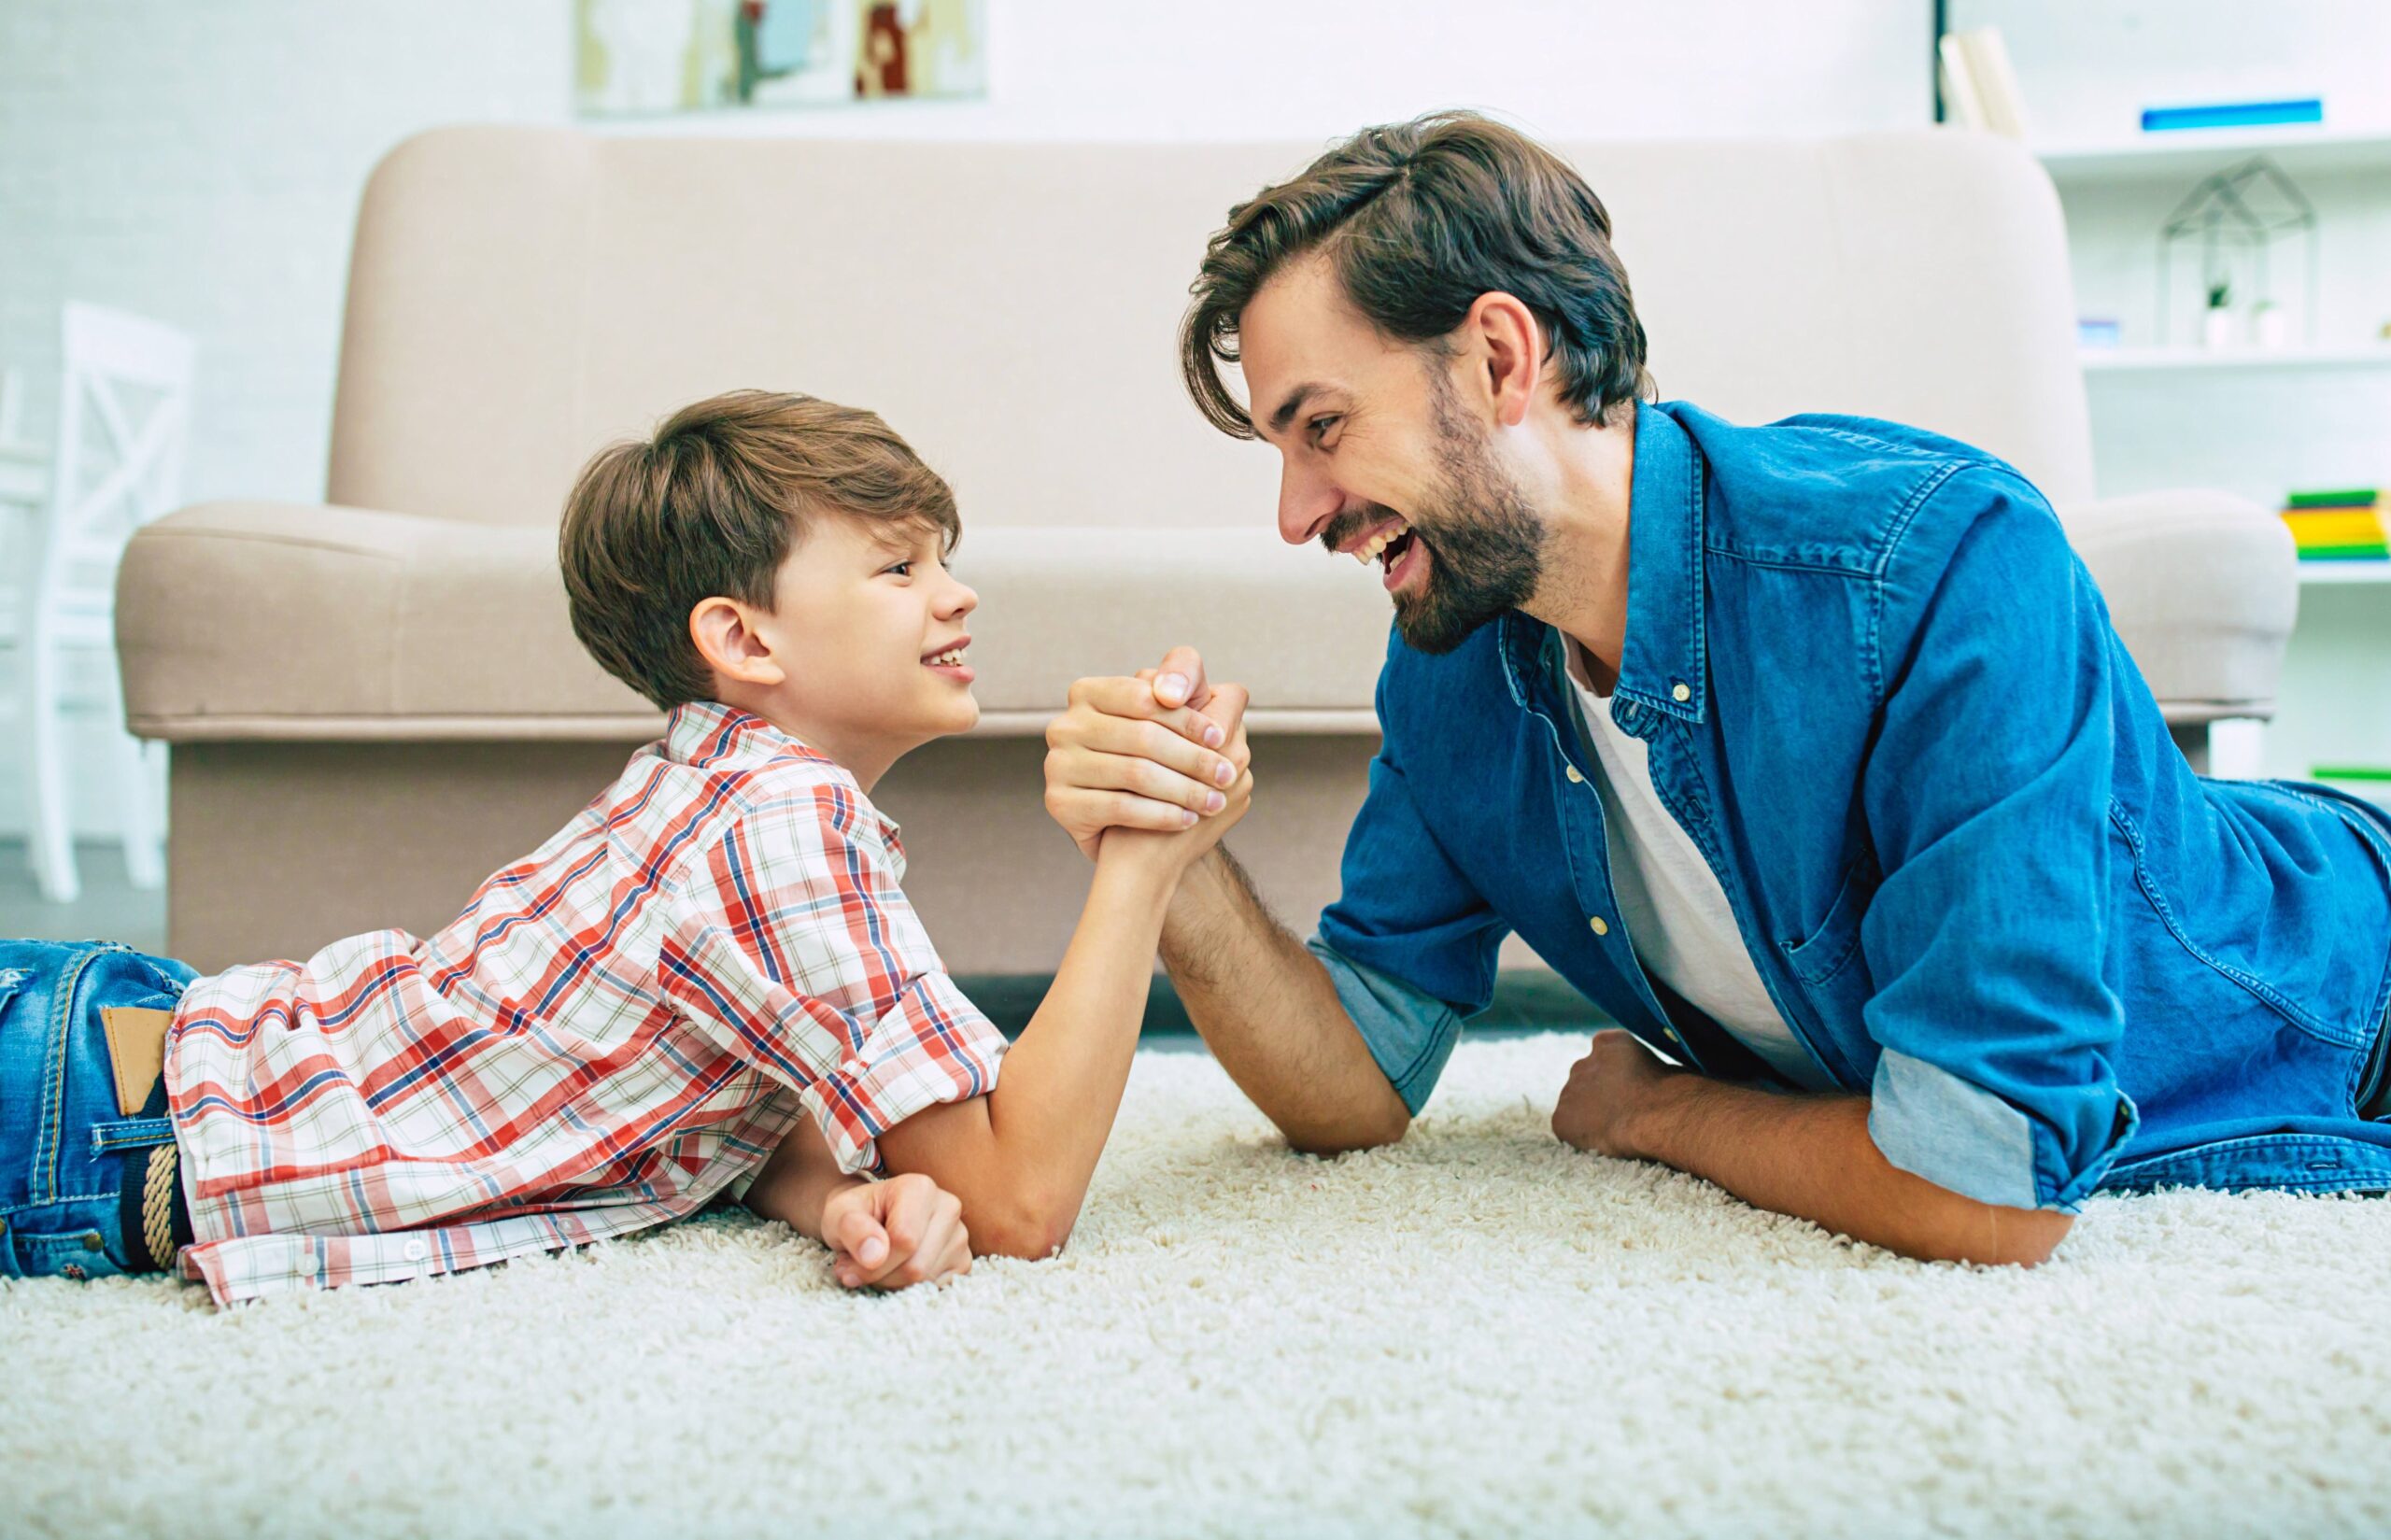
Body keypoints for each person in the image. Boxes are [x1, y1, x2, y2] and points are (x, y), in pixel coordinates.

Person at [1041, 112, 2391, 1265]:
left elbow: (1988, 1184)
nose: (1296, 514)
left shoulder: (1936, 570)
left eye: (1322, 428)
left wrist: (1658, 1115)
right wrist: (1179, 861)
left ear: (1501, 360)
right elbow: (1358, 1079)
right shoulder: (1456, 661)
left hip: (2354, 991)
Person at [0, 389, 1250, 1305]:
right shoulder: (779, 823)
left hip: (107, 1063)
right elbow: (1019, 1199)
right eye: (898, 565)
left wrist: (829, 1191)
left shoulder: (725, 789)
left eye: (946, 559)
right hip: (98, 1117)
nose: (957, 592)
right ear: (745, 641)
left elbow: (694, 1096)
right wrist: (1144, 861)